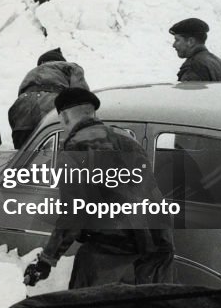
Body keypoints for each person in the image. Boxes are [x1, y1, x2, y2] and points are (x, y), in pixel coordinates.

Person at [23, 88, 174, 289]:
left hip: (111, 253)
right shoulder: (129, 143)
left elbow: (74, 214)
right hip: (157, 248)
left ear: (65, 117)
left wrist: (47, 260)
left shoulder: (76, 149)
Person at [7, 48, 89, 149]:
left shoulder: (32, 72)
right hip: (50, 100)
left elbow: (21, 93)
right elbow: (81, 95)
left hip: (21, 104)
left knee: (23, 151)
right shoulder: (70, 67)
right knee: (56, 148)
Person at [169, 18, 221, 82]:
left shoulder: (193, 66)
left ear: (190, 42)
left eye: (177, 40)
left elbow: (188, 92)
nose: (174, 45)